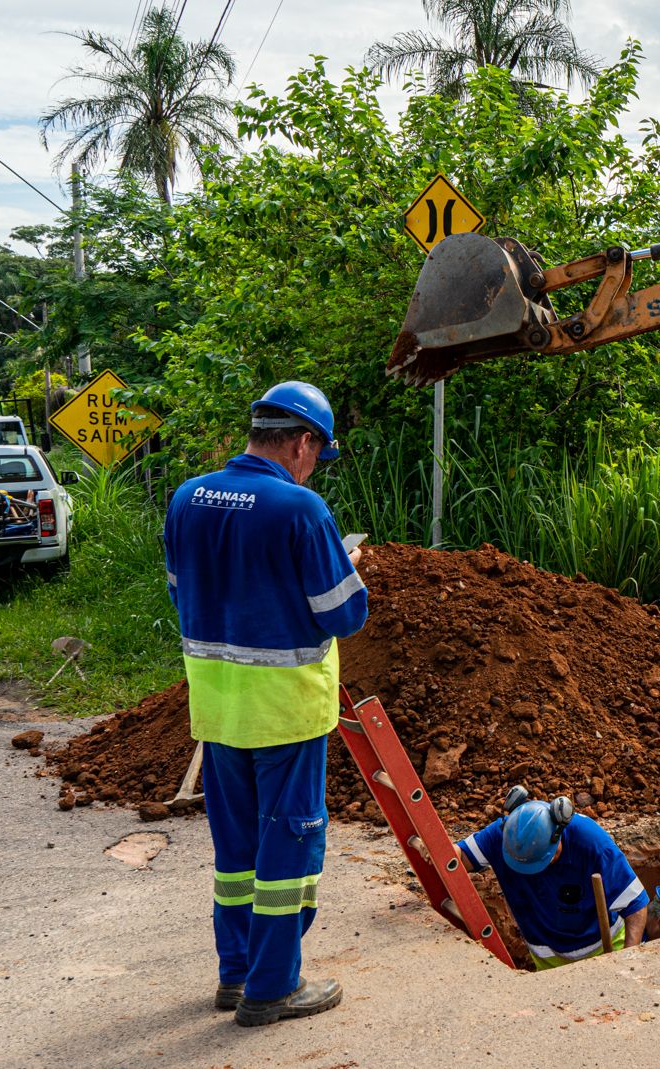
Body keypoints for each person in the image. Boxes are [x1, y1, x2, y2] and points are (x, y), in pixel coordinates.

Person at [162, 381, 368, 1027]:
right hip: (285, 711)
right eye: (316, 453)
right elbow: (345, 612)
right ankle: (274, 987)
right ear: (304, 442)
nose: (313, 465)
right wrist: (350, 561)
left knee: (237, 849)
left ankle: (236, 973)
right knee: (289, 848)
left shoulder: (187, 498)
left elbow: (179, 591)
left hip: (218, 707)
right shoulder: (301, 509)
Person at [455, 787, 650, 970]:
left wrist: (627, 958)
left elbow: (635, 904)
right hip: (548, 961)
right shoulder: (504, 835)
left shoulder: (592, 841)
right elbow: (459, 857)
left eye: (546, 859)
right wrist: (431, 846)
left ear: (559, 830)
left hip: (603, 950)